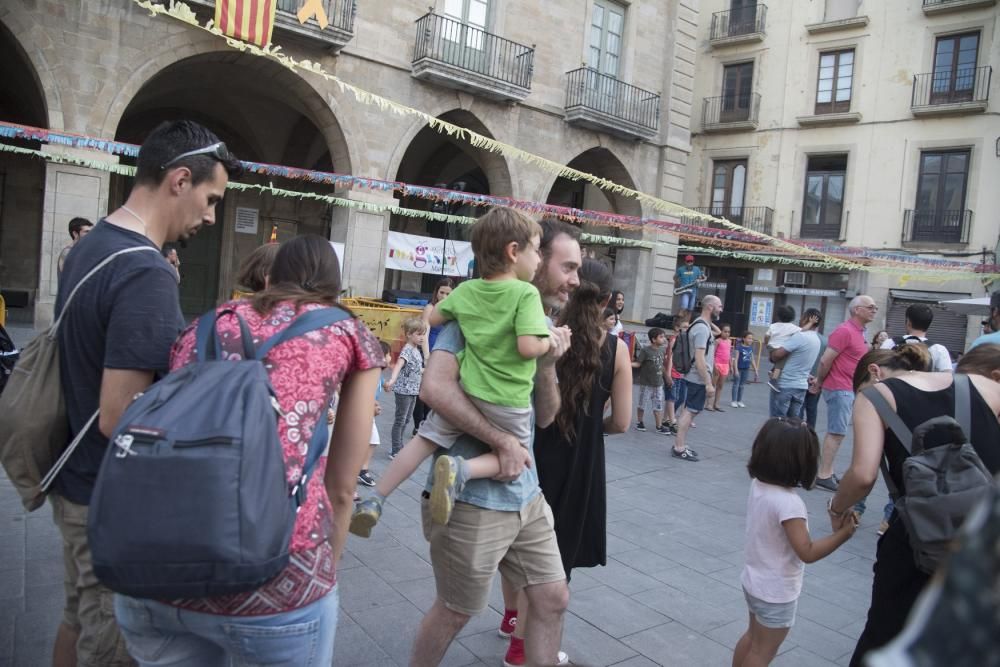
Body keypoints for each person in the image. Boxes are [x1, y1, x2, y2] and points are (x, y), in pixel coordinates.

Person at [114, 235, 383, 665]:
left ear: (271, 276)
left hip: (158, 569)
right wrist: (324, 575)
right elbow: (342, 488)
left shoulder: (203, 323)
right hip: (278, 584)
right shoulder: (346, 330)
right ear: (335, 288)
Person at [50, 120, 241, 667]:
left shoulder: (94, 245)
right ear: (179, 180)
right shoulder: (145, 271)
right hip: (107, 499)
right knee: (111, 645)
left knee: (77, 618)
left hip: (76, 481)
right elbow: (122, 416)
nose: (210, 215)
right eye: (211, 198)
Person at [408, 217, 579, 667]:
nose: (573, 280)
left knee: (552, 597)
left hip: (525, 490)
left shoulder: (535, 324)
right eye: (565, 266)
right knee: (456, 610)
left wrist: (547, 367)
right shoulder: (477, 308)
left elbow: (545, 417)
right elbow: (434, 390)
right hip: (470, 497)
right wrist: (501, 440)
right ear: (521, 255)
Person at [350, 208, 556, 532]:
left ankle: (375, 497)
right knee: (518, 459)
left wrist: (463, 313)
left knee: (421, 441)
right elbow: (528, 347)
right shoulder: (525, 293)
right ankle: (462, 471)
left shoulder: (466, 291)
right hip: (507, 400)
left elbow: (431, 319)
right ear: (514, 252)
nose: (540, 260)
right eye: (535, 250)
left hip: (467, 392)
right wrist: (551, 342)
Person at [827, 345, 1000, 666]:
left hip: (915, 541)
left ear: (874, 373)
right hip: (983, 538)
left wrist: (837, 508)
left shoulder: (876, 396)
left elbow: (863, 475)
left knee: (884, 633)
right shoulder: (981, 384)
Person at [534, 259, 632, 580]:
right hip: (583, 462)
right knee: (560, 560)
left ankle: (513, 613)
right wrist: (593, 429)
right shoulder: (617, 350)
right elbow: (621, 422)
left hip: (537, 452)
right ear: (606, 301)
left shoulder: (545, 336)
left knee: (525, 541)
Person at [735, 417, 857, 667]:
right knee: (762, 652)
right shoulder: (790, 504)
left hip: (753, 581)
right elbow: (807, 552)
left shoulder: (759, 485)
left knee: (752, 638)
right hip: (776, 592)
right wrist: (843, 534)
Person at [809, 295, 878, 491]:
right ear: (857, 310)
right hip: (840, 387)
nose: (874, 310)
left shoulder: (859, 332)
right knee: (837, 432)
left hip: (848, 388)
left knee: (838, 432)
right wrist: (820, 382)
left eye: (875, 308)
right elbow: (825, 360)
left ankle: (827, 471)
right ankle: (823, 474)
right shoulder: (845, 331)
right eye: (871, 307)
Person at [673, 295, 723, 462]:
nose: (721, 309)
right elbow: (700, 359)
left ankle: (680, 445)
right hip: (697, 378)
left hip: (696, 376)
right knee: (690, 411)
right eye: (719, 306)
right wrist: (708, 383)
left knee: (691, 411)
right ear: (710, 307)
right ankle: (679, 447)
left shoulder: (702, 325)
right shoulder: (701, 328)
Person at [414, 278, 455, 432]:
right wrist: (426, 356)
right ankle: (419, 424)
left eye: (447, 294)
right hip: (431, 348)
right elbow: (425, 332)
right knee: (423, 389)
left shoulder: (452, 309)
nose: (444, 296)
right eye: (441, 292)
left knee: (438, 389)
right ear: (436, 292)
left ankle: (430, 422)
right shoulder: (430, 308)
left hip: (446, 351)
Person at [385, 317, 426, 458]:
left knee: (407, 419)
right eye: (419, 334)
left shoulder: (416, 350)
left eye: (423, 334)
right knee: (400, 420)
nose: (422, 337)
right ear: (409, 334)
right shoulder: (407, 350)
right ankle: (396, 448)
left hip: (413, 390)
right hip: (404, 390)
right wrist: (392, 380)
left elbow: (417, 369)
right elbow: (398, 365)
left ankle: (399, 446)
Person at [357, 340, 393, 488]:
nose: (391, 357)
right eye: (389, 354)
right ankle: (360, 470)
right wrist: (374, 405)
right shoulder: (370, 373)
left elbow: (380, 383)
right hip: (363, 413)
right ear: (382, 356)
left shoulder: (377, 373)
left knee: (371, 440)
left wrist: (385, 385)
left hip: (368, 412)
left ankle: (361, 469)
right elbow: (364, 394)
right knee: (369, 440)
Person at [768, 322, 823, 420]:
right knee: (793, 421)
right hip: (801, 385)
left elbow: (777, 355)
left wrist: (771, 352)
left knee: (778, 421)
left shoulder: (799, 336)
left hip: (786, 384)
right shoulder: (817, 339)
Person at [880, 303, 951, 372]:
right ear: (929, 324)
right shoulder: (939, 350)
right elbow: (948, 378)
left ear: (908, 322)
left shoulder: (890, 343)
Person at [632, 327, 670, 434]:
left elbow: (661, 365)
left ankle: (659, 426)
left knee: (658, 405)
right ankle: (640, 422)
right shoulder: (645, 350)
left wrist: (667, 377)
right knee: (642, 404)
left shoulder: (663, 350)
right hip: (646, 384)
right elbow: (638, 363)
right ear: (653, 339)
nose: (664, 339)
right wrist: (627, 363)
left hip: (658, 384)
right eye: (661, 337)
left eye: (664, 337)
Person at [664, 309, 691, 434]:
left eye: (688, 326)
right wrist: (668, 374)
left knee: (680, 398)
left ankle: (667, 418)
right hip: (673, 373)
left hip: (682, 373)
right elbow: (670, 358)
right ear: (677, 328)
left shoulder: (686, 340)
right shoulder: (674, 340)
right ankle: (672, 421)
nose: (687, 328)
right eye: (684, 327)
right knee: (672, 398)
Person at [800, 309, 826, 430]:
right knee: (812, 409)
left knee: (798, 408)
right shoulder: (825, 341)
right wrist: (819, 380)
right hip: (817, 380)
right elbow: (826, 362)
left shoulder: (801, 337)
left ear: (807, 318)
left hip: (799, 378)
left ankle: (797, 434)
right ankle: (811, 435)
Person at [765, 305, 800, 390]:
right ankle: (774, 380)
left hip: (771, 346)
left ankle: (772, 370)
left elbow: (766, 336)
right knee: (782, 361)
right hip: (781, 349)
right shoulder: (793, 327)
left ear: (779, 315)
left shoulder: (773, 325)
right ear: (792, 316)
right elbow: (803, 331)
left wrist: (767, 344)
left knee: (778, 360)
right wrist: (810, 324)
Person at [730, 331, 758, 408]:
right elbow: (735, 359)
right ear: (744, 338)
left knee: (742, 385)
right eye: (749, 338)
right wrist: (735, 370)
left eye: (752, 339)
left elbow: (752, 359)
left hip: (746, 369)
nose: (751, 340)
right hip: (739, 368)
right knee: (736, 385)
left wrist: (755, 370)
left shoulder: (750, 348)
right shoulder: (739, 347)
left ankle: (739, 401)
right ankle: (734, 401)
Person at [709, 323, 732, 411]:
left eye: (728, 332)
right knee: (713, 385)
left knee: (720, 386)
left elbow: (729, 354)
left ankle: (717, 404)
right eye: (725, 331)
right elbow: (712, 354)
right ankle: (709, 404)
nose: (727, 333)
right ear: (721, 331)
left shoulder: (729, 341)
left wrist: (731, 366)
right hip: (717, 364)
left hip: (725, 365)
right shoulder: (717, 341)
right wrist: (714, 365)